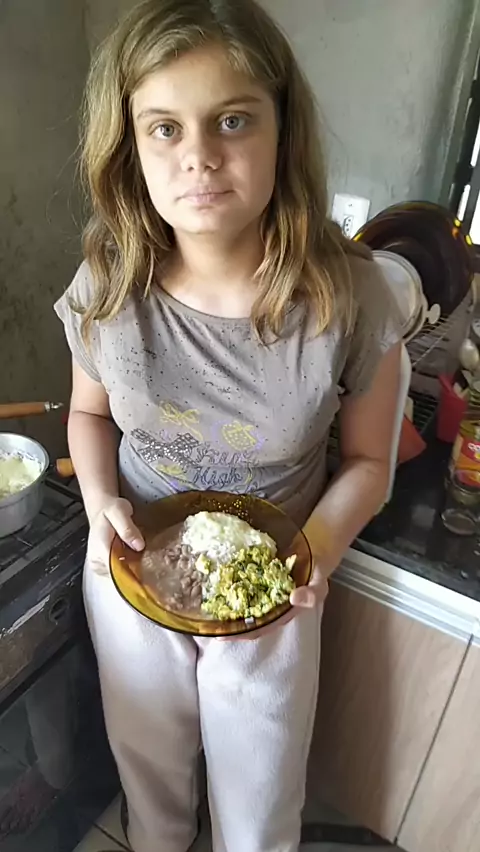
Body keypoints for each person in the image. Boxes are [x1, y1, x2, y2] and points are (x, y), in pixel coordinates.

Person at [55, 1, 401, 850]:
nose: (200, 156)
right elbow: (88, 414)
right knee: (152, 788)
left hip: (275, 589)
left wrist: (308, 556)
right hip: (134, 570)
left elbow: (370, 462)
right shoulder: (108, 281)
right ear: (128, 148)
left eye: (234, 120)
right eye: (164, 127)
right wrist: (99, 502)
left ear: (284, 131)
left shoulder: (354, 295)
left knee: (258, 808)